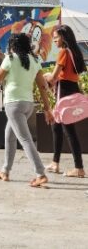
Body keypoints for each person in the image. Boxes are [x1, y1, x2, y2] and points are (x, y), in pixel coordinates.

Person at [0, 33, 55, 187]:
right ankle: (5, 171)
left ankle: (40, 173)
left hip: (13, 104)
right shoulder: (35, 60)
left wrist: (1, 68)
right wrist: (47, 108)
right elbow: (42, 86)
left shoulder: (10, 59)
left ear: (13, 45)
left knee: (25, 140)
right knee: (10, 136)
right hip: (28, 104)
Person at [44, 25, 86, 178]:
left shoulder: (63, 52)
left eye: (56, 36)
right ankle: (55, 163)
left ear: (63, 37)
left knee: (69, 131)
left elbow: (54, 77)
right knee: (57, 126)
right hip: (72, 89)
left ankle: (79, 168)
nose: (54, 39)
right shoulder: (75, 51)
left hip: (64, 91)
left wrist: (43, 76)